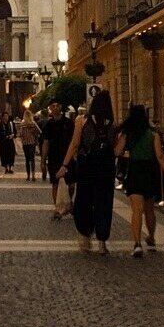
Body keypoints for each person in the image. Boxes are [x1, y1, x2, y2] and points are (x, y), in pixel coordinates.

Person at [58, 89, 117, 254]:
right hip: (106, 168)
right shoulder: (112, 124)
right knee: (104, 203)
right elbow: (115, 149)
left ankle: (85, 237)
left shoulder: (82, 120)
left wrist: (64, 164)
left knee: (84, 200)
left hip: (86, 165)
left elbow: (75, 144)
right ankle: (102, 242)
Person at [115, 104, 164, 257]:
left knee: (136, 209)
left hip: (134, 170)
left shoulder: (127, 134)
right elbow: (160, 156)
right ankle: (152, 238)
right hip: (149, 171)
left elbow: (117, 152)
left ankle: (137, 244)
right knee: (149, 209)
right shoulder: (153, 135)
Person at [43, 102, 74, 219]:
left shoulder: (69, 123)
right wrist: (43, 160)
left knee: (71, 184)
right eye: (53, 106)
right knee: (55, 184)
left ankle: (69, 203)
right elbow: (46, 142)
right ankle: (57, 208)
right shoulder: (48, 124)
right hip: (53, 158)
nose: (55, 107)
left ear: (61, 107)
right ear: (50, 108)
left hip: (68, 156)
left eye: (57, 105)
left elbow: (74, 140)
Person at [18, 109, 41, 182]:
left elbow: (20, 134)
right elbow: (39, 131)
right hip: (32, 143)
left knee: (27, 160)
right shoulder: (33, 123)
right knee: (32, 159)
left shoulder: (22, 123)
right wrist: (33, 133)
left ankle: (28, 176)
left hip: (25, 143)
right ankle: (33, 175)